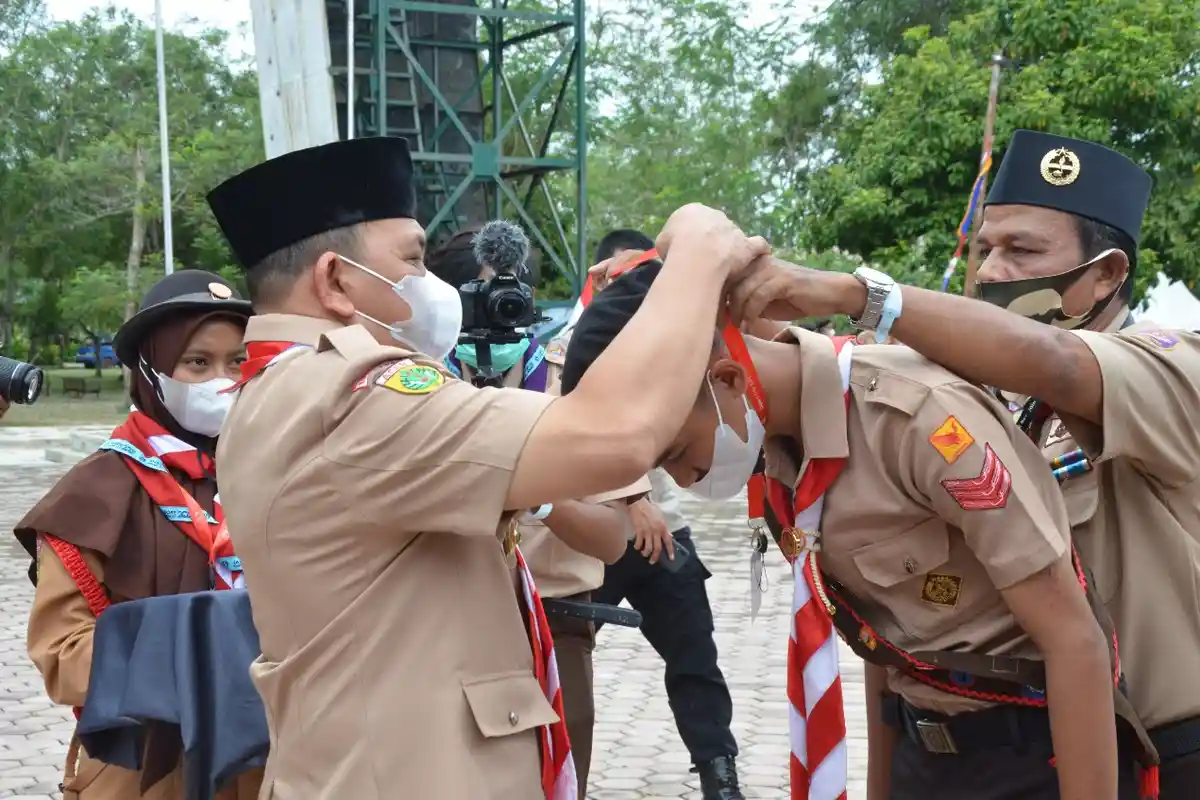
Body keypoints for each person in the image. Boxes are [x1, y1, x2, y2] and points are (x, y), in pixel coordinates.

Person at [203, 136, 768, 799]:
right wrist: (698, 249)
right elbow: (616, 435)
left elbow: (606, 530)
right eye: (413, 259)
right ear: (334, 280)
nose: (430, 285)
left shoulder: (287, 391)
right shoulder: (353, 401)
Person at [561, 255, 1156, 800]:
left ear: (727, 380)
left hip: (1033, 757)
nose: (681, 481)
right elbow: (883, 639)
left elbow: (1075, 642)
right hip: (924, 756)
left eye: (672, 450)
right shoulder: (784, 457)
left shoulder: (918, 422)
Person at [726, 130, 1199, 797]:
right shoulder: (948, 393)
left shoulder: (1168, 364)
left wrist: (855, 293)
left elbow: (1057, 364)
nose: (993, 271)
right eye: (985, 249)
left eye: (1023, 250)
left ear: (1109, 274)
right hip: (985, 754)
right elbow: (888, 616)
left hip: (1152, 752)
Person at [13, 270, 262, 800]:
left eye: (237, 363)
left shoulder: (279, 470)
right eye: (197, 362)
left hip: (273, 766)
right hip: (147, 771)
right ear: (150, 372)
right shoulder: (95, 492)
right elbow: (62, 653)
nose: (223, 380)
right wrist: (203, 652)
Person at [430, 222, 645, 798]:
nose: (501, 304)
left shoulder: (570, 378)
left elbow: (608, 538)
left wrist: (540, 496)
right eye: (483, 292)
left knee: (560, 775)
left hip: (557, 618)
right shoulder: (417, 385)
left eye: (512, 290)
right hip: (442, 620)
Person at [590, 228, 744, 800]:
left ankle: (719, 774)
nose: (614, 285)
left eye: (627, 274)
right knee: (563, 658)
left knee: (694, 656)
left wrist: (648, 501)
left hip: (665, 531)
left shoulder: (676, 345)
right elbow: (578, 430)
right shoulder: (568, 348)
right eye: (606, 275)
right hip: (595, 534)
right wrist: (631, 498)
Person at [427, 227, 551, 390]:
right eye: (490, 290)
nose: (504, 302)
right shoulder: (431, 370)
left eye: (511, 289)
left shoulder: (551, 372)